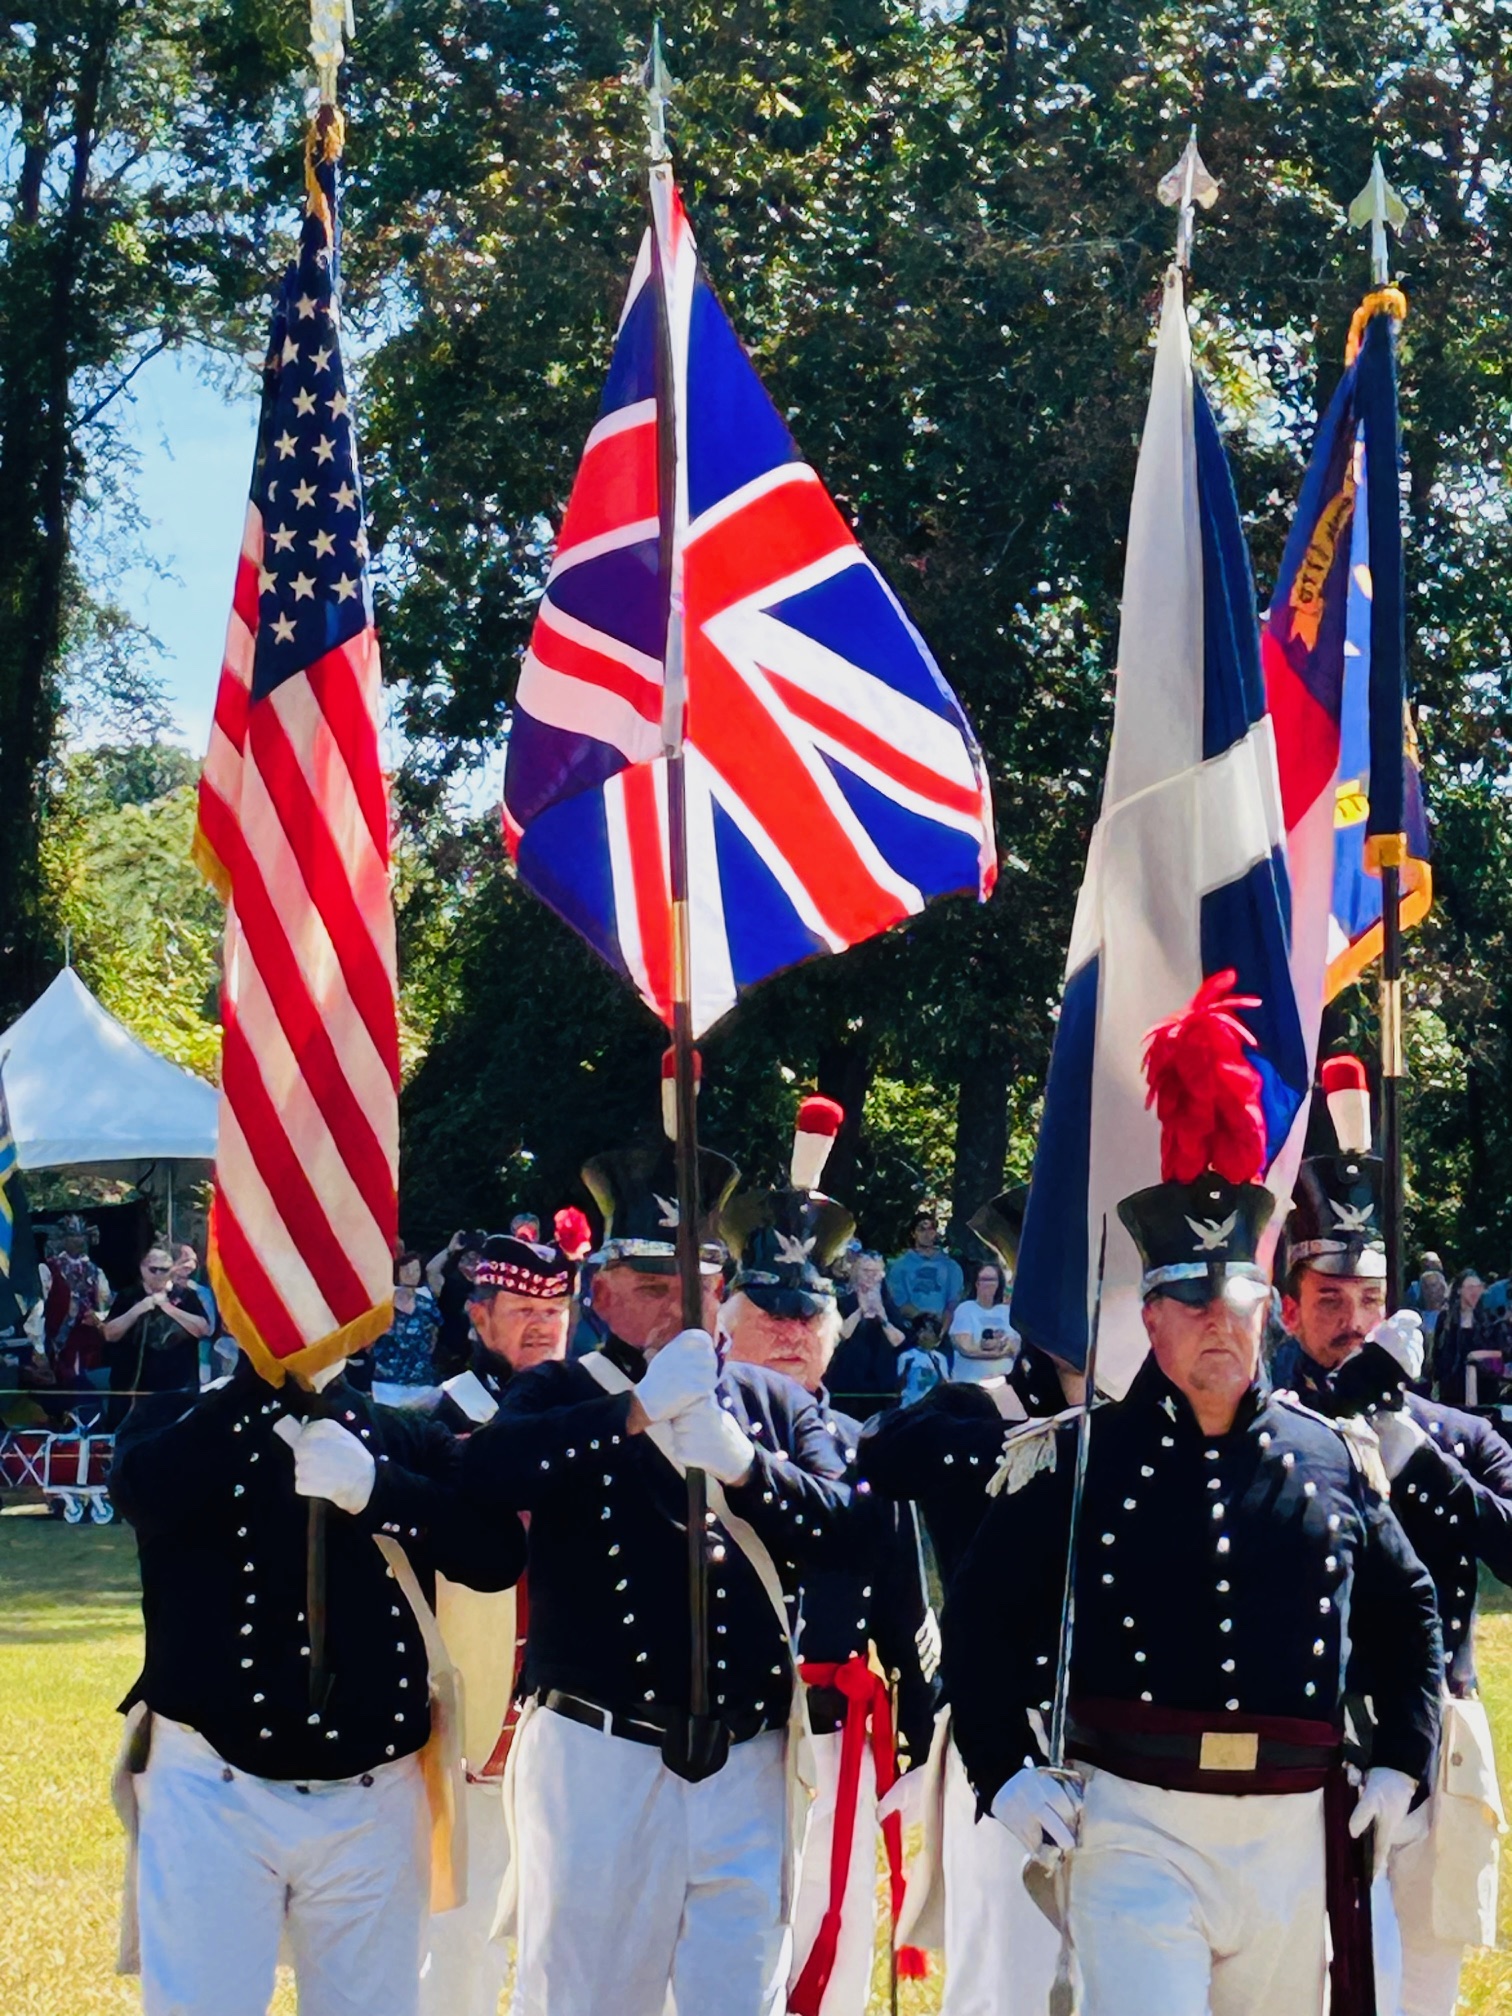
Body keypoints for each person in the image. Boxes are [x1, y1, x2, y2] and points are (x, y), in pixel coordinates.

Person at [943, 987, 1442, 2016]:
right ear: (1152, 1321)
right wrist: (1002, 1770)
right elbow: (981, 1623)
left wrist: (1402, 1759)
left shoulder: (1333, 1459)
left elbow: (1412, 1610)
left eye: (1240, 1305)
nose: (1221, 1326)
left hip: (1291, 1826)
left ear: (1268, 1314)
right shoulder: (1072, 1465)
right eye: (1192, 1305)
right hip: (1131, 1818)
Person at [461, 1123, 855, 2016]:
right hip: (603, 1753)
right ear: (600, 1293)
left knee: (738, 1997)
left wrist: (747, 1467)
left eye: (701, 1284)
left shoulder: (770, 1403)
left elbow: (847, 1529)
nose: (680, 1306)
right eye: (651, 1285)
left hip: (744, 1760)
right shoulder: (560, 1393)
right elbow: (489, 1474)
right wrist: (633, 1414)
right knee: (587, 1996)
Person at [109, 1340, 526, 2016]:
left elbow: (493, 1555)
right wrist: (258, 1395)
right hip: (211, 1784)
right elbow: (141, 1491)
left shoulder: (404, 1437)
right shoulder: (179, 1418)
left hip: (373, 1794)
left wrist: (377, 1487)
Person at [1273, 1078, 1512, 2016]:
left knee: (1423, 1986)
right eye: (1329, 1299)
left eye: (1370, 1298)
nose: (1354, 1321)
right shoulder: (1264, 1427)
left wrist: (1414, 1456)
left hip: (1438, 1730)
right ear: (1288, 1310)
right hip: (1305, 1730)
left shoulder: (1456, 1436)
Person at [721, 1101, 934, 2016]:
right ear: (727, 1321)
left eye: (811, 1315)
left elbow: (903, 1608)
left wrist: (923, 1736)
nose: (794, 1330)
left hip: (830, 1728)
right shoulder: (691, 1434)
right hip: (720, 1734)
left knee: (829, 1944)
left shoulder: (866, 1448)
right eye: (772, 1311)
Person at [858, 1185, 1076, 2016]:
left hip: (1137, 1747)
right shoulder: (977, 1412)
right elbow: (881, 1461)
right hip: (1008, 1742)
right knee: (1006, 1988)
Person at [423, 1216, 585, 2016]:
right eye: (523, 1311)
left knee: (580, 1945)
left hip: (578, 1720)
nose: (542, 1326)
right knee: (459, 1944)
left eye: (555, 1312)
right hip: (474, 1718)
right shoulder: (438, 1418)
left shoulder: (596, 1414)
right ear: (478, 1316)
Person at [102, 1247, 210, 1424]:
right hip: (133, 1387)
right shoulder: (129, 1296)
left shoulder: (186, 1296)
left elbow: (202, 1329)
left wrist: (169, 1308)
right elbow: (110, 1333)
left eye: (164, 1269)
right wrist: (138, 1309)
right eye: (154, 1269)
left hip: (176, 1386)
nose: (159, 1274)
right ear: (143, 1268)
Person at [40, 1211, 111, 1396]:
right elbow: (39, 1309)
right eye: (73, 1235)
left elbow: (105, 1304)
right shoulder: (49, 1268)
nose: (78, 1240)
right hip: (58, 1337)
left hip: (88, 1339)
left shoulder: (95, 1271)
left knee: (88, 1384)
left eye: (81, 1235)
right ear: (63, 1238)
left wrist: (97, 1317)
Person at [828, 1249, 906, 1412]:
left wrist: (883, 1318)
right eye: (866, 1271)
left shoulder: (888, 1303)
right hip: (846, 1386)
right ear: (855, 1271)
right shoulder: (842, 1300)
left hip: (882, 1387)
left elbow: (899, 1341)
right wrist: (860, 1312)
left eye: (876, 1272)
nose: (871, 1276)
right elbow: (840, 1335)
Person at [369, 1253, 443, 1410]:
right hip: (386, 1383)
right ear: (397, 1272)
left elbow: (434, 1336)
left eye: (415, 1270)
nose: (411, 1275)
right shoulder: (382, 1308)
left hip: (421, 1382)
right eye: (406, 1270)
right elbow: (369, 1340)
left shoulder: (426, 1305)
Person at [946, 1262, 1021, 1384]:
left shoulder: (1007, 1312)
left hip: (1005, 1384)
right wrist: (1001, 1350)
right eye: (984, 1279)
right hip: (970, 1384)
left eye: (992, 1280)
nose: (988, 1284)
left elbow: (1015, 1347)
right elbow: (967, 1348)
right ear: (977, 1283)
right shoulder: (965, 1309)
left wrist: (988, 1348)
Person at [425, 1230, 488, 1376]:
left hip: (478, 1361)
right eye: (470, 1256)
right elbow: (431, 1270)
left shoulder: (488, 1289)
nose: (474, 1262)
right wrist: (450, 1249)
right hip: (447, 1359)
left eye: (479, 1257)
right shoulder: (450, 1284)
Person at [886, 1213, 964, 1329]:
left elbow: (953, 1303)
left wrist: (940, 1329)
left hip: (943, 1330)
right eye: (921, 1229)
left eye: (931, 1229)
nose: (927, 1234)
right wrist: (925, 1323)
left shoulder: (951, 1266)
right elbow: (900, 1302)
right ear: (913, 1234)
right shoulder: (899, 1266)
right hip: (910, 1330)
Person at [1433, 1269, 1486, 1405]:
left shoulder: (1486, 1318)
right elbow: (1437, 1353)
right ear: (1459, 1290)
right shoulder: (1446, 1318)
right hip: (1451, 1386)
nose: (1474, 1292)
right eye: (1469, 1288)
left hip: (1482, 1385)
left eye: (1478, 1287)